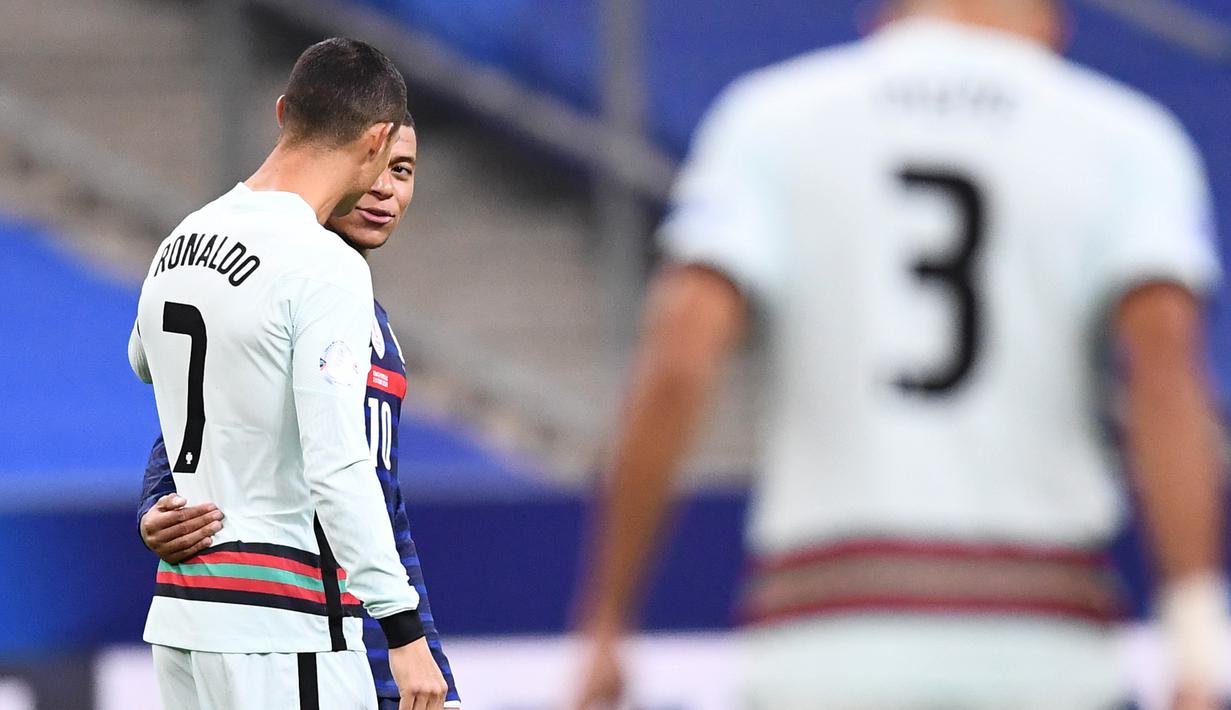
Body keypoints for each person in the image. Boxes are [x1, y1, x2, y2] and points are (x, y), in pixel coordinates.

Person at [572, 1, 1227, 708]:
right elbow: (1163, 370)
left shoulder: (772, 117)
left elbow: (679, 354)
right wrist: (1195, 644)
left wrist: (608, 617)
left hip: (823, 640)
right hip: (1044, 638)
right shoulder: (1124, 135)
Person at [127, 38, 446, 710]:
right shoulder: (323, 269)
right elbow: (339, 466)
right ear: (376, 138)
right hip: (285, 620)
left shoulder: (182, 237)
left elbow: (155, 368)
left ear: (282, 113)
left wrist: (160, 496)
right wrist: (406, 631)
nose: (388, 187)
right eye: (389, 162)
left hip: (186, 620)